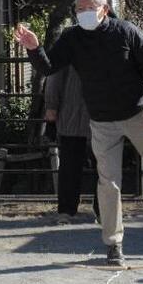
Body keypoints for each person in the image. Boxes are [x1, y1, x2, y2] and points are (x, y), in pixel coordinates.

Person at [14, 0, 143, 266]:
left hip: (138, 112)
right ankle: (113, 243)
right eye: (79, 9)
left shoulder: (126, 31)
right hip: (101, 119)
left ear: (105, 9)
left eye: (89, 8)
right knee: (108, 183)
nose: (83, 13)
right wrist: (34, 48)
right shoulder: (72, 38)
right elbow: (49, 67)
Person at [44, 65, 100, 224]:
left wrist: (51, 107)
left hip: (73, 114)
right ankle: (103, 210)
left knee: (70, 166)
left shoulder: (69, 42)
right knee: (104, 167)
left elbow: (53, 76)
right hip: (95, 114)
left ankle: (67, 210)